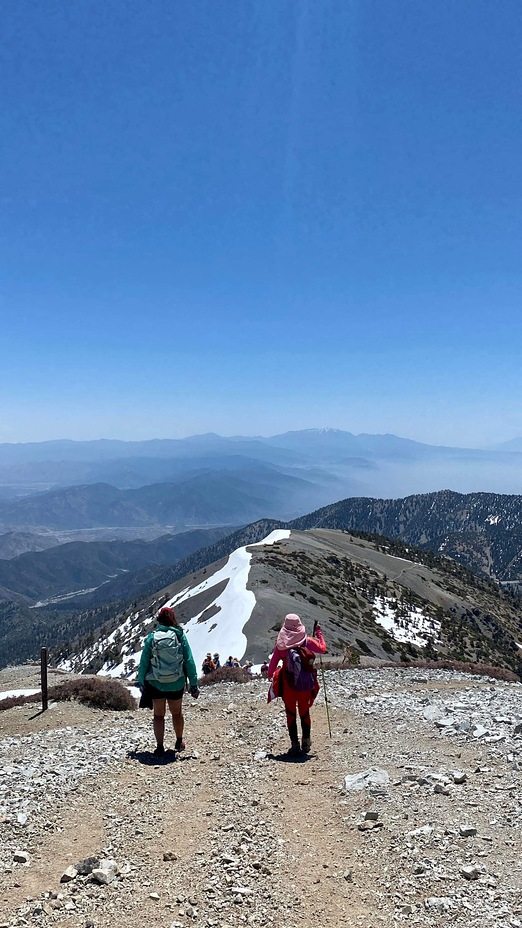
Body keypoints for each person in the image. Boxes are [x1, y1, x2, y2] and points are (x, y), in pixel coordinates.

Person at [138, 606, 199, 756]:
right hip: (176, 682)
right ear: (173, 619)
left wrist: (141, 681)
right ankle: (179, 741)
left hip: (156, 683)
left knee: (158, 715)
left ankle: (159, 747)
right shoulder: (179, 636)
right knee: (176, 713)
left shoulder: (152, 638)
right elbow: (189, 661)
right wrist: (194, 683)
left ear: (159, 620)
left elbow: (144, 661)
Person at [267, 613, 327, 757]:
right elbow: (323, 649)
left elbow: (271, 669)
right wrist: (318, 633)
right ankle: (306, 743)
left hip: (288, 686)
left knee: (290, 714)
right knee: (305, 713)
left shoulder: (281, 646)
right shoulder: (308, 642)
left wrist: (273, 676)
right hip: (305, 685)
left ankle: (294, 745)